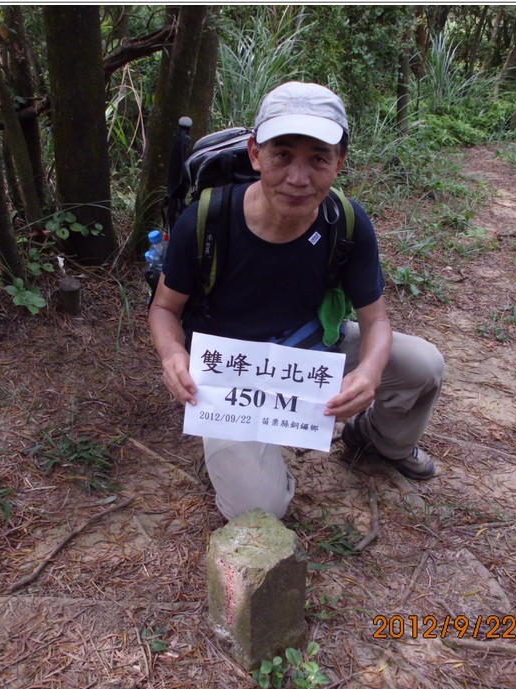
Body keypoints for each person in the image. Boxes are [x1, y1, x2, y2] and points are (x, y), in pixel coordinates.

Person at [148, 81, 444, 521]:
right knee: (258, 510)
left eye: (318, 159)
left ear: (339, 163)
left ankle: (380, 442)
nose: (298, 178)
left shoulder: (345, 221)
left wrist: (368, 371)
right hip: (232, 381)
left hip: (311, 352)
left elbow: (376, 320)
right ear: (255, 154)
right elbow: (164, 308)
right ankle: (252, 461)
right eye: (282, 155)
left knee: (422, 364)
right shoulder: (208, 220)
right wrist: (173, 354)